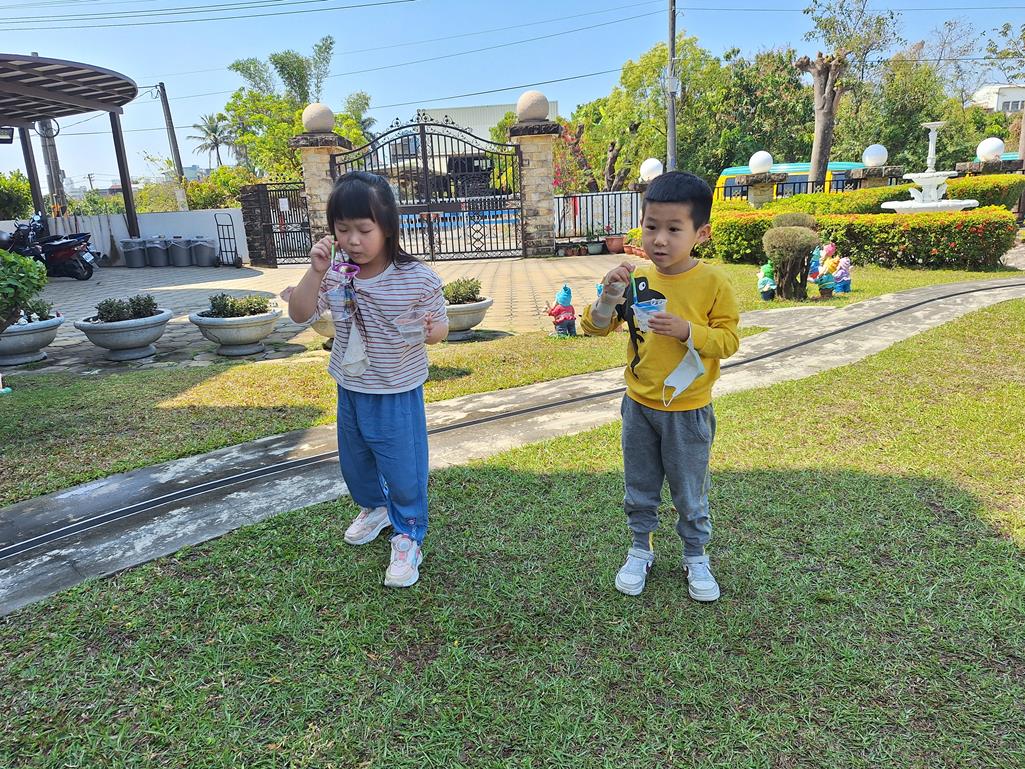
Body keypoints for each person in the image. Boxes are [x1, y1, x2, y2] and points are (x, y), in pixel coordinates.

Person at [581, 171, 740, 602]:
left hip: (688, 410)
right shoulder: (637, 281)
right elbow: (594, 327)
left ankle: (696, 556)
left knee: (689, 493)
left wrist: (689, 331)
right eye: (651, 227)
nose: (660, 240)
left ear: (701, 233)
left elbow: (729, 340)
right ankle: (640, 549)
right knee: (640, 486)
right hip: (638, 406)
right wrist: (608, 297)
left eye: (674, 229)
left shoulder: (712, 283)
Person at [287, 171, 448, 588]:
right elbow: (300, 314)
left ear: (388, 227)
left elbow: (440, 328)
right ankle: (375, 508)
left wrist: (430, 330)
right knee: (355, 462)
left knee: (403, 466)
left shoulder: (417, 278)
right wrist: (315, 271)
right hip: (350, 385)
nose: (353, 240)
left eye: (363, 229)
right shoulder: (336, 273)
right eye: (343, 230)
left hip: (396, 389)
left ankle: (408, 533)